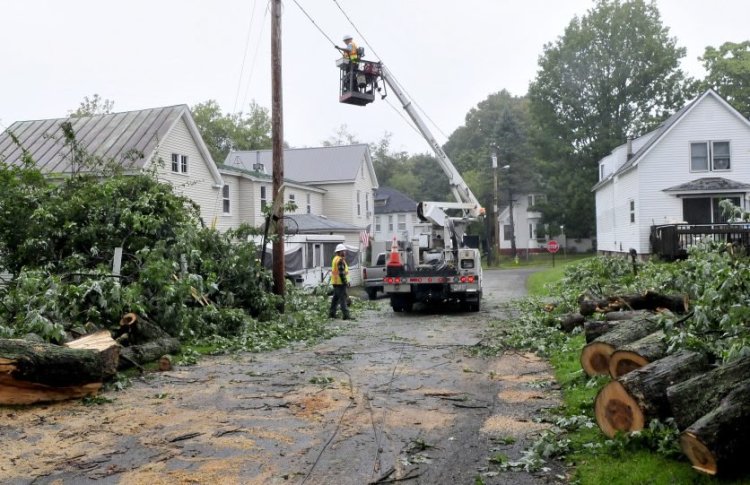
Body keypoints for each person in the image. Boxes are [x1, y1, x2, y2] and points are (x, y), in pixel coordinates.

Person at [329, 243, 352, 320]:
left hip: (335, 283)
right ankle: (346, 315)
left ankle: (331, 314)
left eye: (344, 251)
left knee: (335, 299)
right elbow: (342, 273)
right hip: (340, 283)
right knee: (343, 299)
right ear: (339, 252)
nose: (345, 252)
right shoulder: (340, 260)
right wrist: (346, 282)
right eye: (343, 251)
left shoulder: (335, 259)